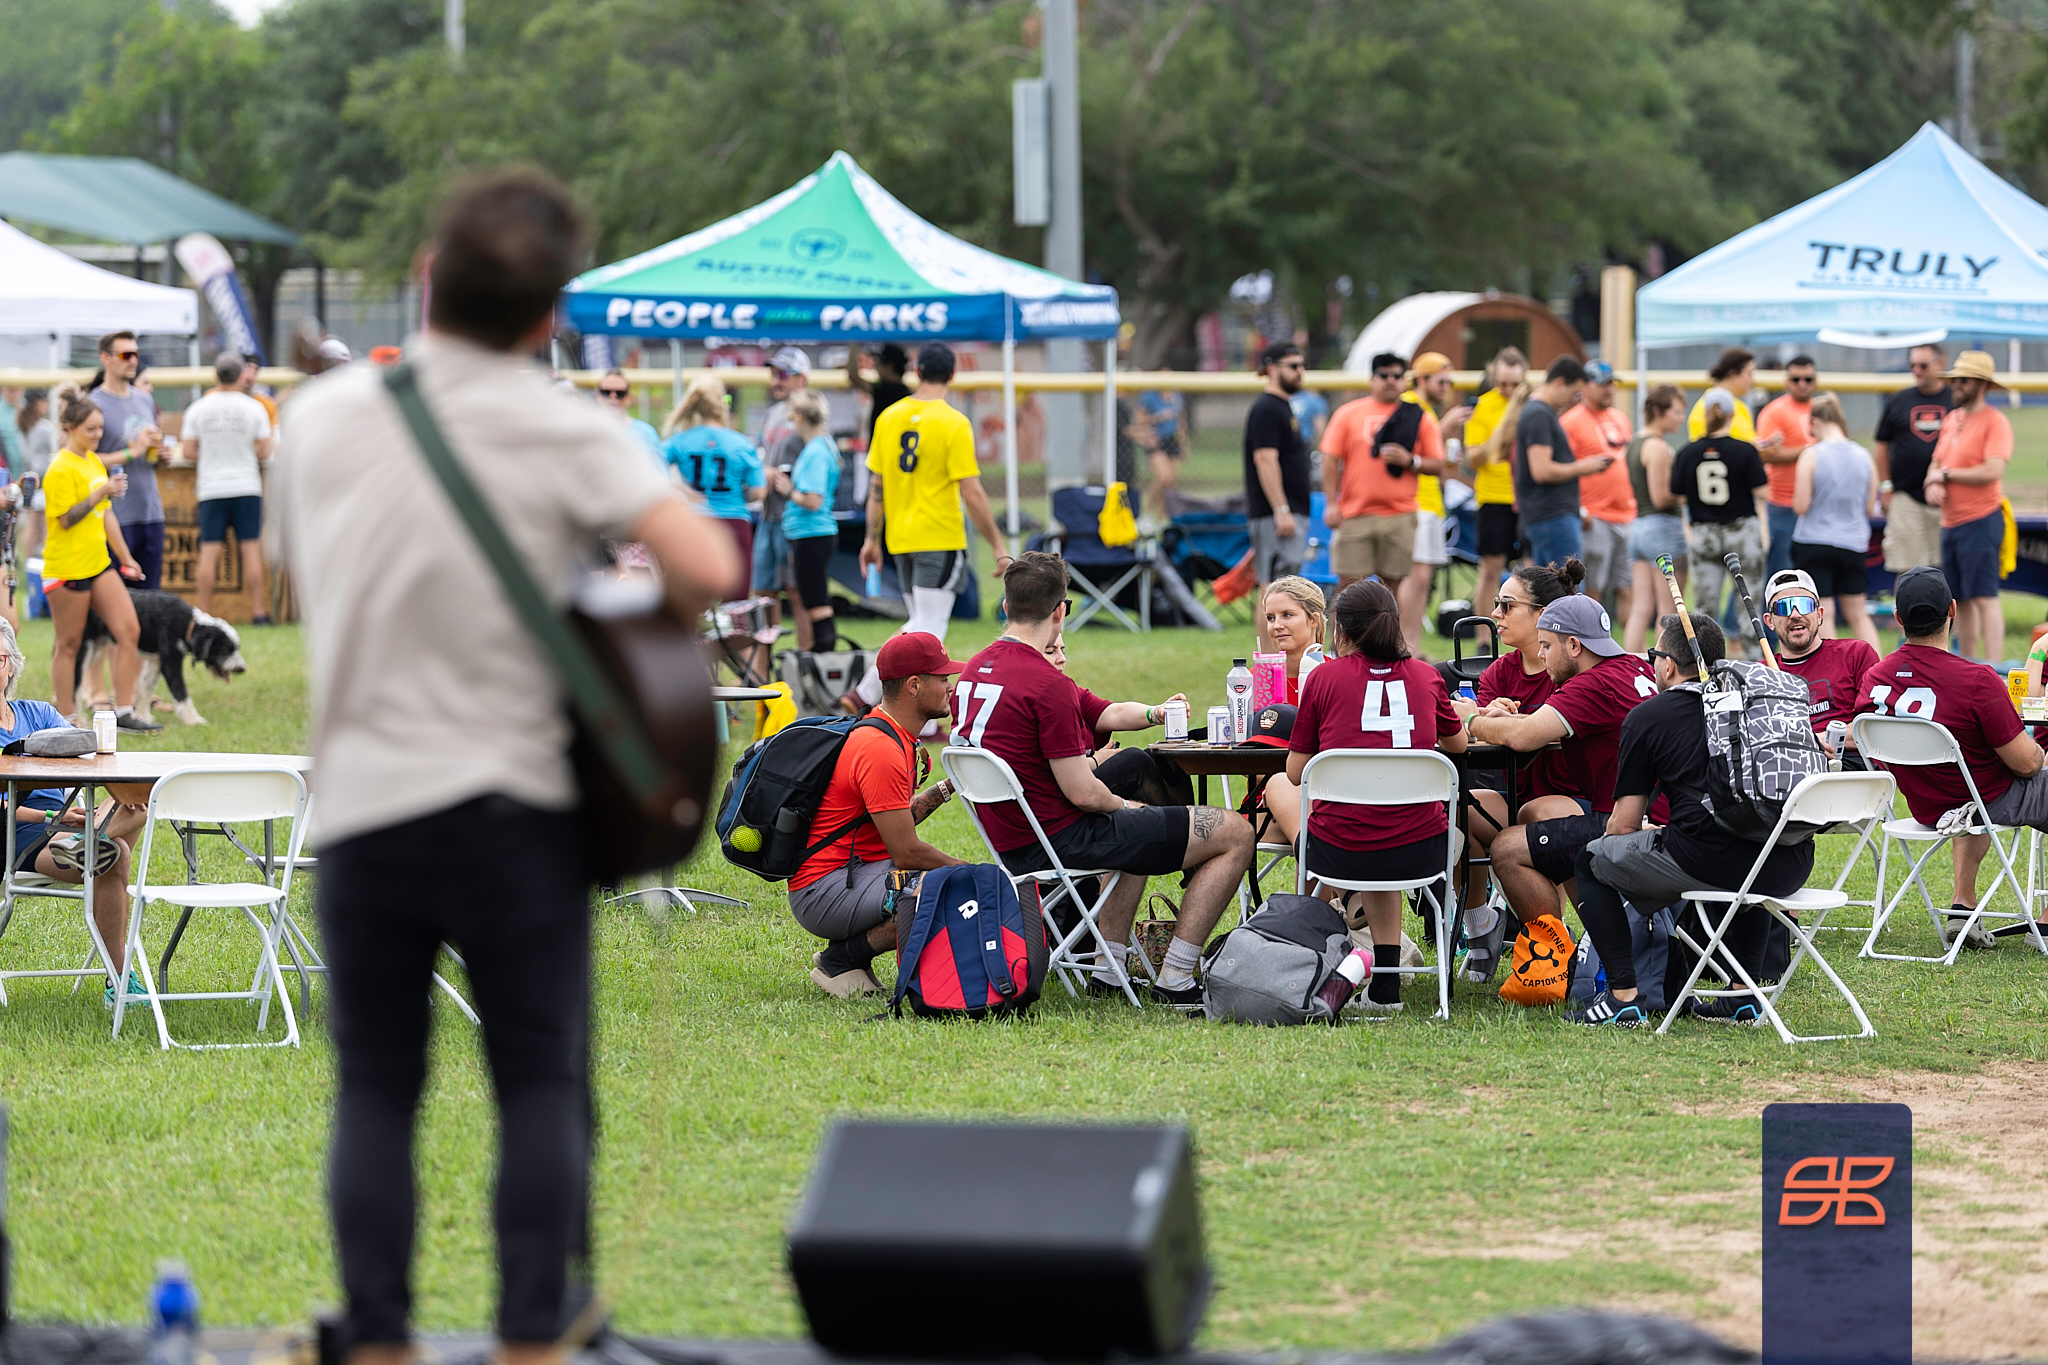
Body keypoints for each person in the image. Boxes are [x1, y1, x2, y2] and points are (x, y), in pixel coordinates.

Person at [276, 169, 736, 1365]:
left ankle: (379, 1339)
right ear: (547, 316)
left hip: (363, 805)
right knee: (535, 1082)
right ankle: (531, 1337)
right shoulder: (562, 423)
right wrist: (615, 613)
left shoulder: (321, 419)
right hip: (514, 806)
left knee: (376, 1090)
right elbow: (706, 568)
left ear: (426, 278)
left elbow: (302, 574)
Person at [953, 552, 1254, 1009]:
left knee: (1132, 777)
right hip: (1059, 839)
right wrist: (1132, 809)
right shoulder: (1045, 683)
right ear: (1060, 611)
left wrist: (1154, 714)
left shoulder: (973, 670)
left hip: (1010, 838)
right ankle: (1176, 978)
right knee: (1237, 832)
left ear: (1007, 606)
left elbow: (1100, 718)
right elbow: (1083, 793)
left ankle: (1107, 969)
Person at [1568, 611, 1815, 1026]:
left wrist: (1633, 836)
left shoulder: (1649, 716)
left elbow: (1624, 825)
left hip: (1709, 863)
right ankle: (1743, 995)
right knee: (1752, 840)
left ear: (1668, 665)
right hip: (1789, 862)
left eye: (1654, 656)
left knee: (1591, 861)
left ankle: (1623, 997)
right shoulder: (1759, 703)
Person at [1284, 578, 1465, 1012]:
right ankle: (1385, 983)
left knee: (1366, 830)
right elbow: (1457, 746)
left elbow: (1294, 772)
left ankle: (1299, 959)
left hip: (1336, 852)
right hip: (1422, 852)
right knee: (1389, 830)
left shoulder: (1323, 678)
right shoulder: (1427, 676)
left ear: (1341, 630)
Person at [1856, 567, 2048, 950]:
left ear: (1898, 618)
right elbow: (2027, 764)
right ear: (1953, 611)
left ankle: (1963, 906)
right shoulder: (1977, 680)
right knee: (1981, 783)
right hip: (1983, 800)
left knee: (1970, 780)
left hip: (1928, 806)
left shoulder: (1874, 679)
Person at [1468, 593, 1658, 935]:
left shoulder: (1592, 684)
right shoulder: (1634, 666)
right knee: (1521, 814)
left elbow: (1523, 737)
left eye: (1546, 646)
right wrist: (1504, 720)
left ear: (1573, 646)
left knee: (1509, 846)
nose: (1540, 655)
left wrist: (1470, 720)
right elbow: (1536, 725)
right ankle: (1488, 929)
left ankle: (1560, 949)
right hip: (1654, 814)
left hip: (1632, 825)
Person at [793, 632, 968, 998]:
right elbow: (906, 852)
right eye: (942, 678)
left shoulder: (890, 732)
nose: (950, 686)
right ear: (914, 686)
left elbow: (891, 819)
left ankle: (848, 956)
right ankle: (842, 959)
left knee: (935, 881)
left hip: (849, 875)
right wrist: (968, 869)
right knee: (941, 888)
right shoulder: (880, 749)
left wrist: (950, 785)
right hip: (822, 890)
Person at [854, 342, 1012, 707]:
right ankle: (864, 694)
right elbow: (971, 491)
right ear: (953, 375)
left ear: (917, 371)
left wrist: (871, 539)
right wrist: (998, 544)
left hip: (901, 537)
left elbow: (877, 487)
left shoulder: (889, 417)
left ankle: (893, 707)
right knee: (929, 629)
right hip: (938, 536)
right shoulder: (953, 421)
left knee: (920, 623)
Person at [0, 617, 150, 1002]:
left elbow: (88, 758)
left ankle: (90, 838)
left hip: (70, 820)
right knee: (115, 855)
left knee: (139, 801)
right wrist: (54, 818)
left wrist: (92, 808)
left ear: (12, 666)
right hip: (19, 832)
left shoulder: (38, 713)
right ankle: (120, 981)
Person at [42, 396, 152, 731]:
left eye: (100, 428)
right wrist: (98, 493)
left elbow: (106, 517)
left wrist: (126, 557)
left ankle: (124, 711)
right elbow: (65, 520)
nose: (97, 434)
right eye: (90, 429)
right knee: (70, 644)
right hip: (67, 567)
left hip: (99, 563)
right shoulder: (60, 468)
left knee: (129, 629)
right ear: (69, 428)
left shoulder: (92, 461)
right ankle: (66, 718)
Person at [1321, 352, 1445, 618]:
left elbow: (1437, 464)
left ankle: (1385, 643)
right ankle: (1344, 642)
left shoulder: (1418, 417)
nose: (1391, 380)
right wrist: (1331, 503)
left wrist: (1410, 461)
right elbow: (1330, 460)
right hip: (1355, 514)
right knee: (1348, 590)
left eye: (1397, 376)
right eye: (1384, 375)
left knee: (1391, 593)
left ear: (1405, 380)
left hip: (1400, 514)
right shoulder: (1348, 414)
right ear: (1372, 379)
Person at [1927, 350, 2011, 661]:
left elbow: (1993, 469)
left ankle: (1995, 667)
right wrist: (1933, 483)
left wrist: (1946, 475)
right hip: (1950, 523)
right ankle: (1968, 664)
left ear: (1981, 384)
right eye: (1955, 379)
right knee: (1959, 600)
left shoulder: (1995, 421)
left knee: (1984, 596)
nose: (1956, 385)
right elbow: (1935, 464)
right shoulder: (1952, 419)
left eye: (1963, 380)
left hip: (1981, 518)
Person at [182, 351, 278, 622]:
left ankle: (204, 613)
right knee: (251, 549)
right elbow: (265, 450)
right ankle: (258, 612)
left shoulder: (199, 408)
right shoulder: (254, 407)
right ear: (240, 375)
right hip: (247, 485)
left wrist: (210, 457)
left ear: (215, 375)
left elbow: (187, 451)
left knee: (209, 551)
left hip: (211, 487)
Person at [1672, 390, 1768, 648]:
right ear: (1731, 415)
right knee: (1749, 604)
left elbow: (1678, 497)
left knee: (1704, 609)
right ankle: (1754, 658)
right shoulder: (1745, 450)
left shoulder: (1688, 452)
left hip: (1705, 532)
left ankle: (1704, 661)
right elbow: (1762, 492)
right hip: (1741, 531)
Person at [662, 373, 764, 604]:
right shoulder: (741, 443)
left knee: (693, 599)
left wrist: (680, 488)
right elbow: (758, 492)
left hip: (696, 522)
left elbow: (648, 465)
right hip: (734, 521)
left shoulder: (682, 440)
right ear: (722, 404)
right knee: (736, 604)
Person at [1789, 392, 1880, 648]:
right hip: (1853, 543)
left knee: (1824, 612)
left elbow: (1800, 506)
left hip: (1814, 541)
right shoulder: (1864, 456)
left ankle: (1832, 668)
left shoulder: (1811, 455)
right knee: (1858, 613)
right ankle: (1876, 665)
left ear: (1816, 422)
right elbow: (1870, 507)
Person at [1765, 569, 1878, 768]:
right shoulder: (1759, 675)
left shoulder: (1855, 654)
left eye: (1804, 605)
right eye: (1783, 607)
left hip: (1850, 769)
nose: (1795, 614)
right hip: (1787, 771)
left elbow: (1876, 727)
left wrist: (1816, 740)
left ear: (1819, 614)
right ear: (1769, 621)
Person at [1247, 576, 1329, 839]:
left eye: (1287, 615)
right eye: (1270, 618)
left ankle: (1312, 852)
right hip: (1268, 798)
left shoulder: (1335, 673)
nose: (1277, 626)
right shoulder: (1258, 678)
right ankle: (1313, 852)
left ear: (1313, 620)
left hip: (1330, 791)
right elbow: (1247, 755)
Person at [85, 332, 167, 592]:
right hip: (116, 516)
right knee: (118, 599)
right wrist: (133, 451)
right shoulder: (94, 403)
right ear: (105, 358)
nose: (133, 360)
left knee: (150, 597)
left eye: (136, 354)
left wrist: (159, 456)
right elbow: (86, 460)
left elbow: (147, 454)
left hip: (151, 511)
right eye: (125, 355)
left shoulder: (144, 399)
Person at [1559, 360, 1636, 622]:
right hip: (1595, 515)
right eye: (1602, 384)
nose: (1609, 389)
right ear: (1585, 386)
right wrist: (1580, 510)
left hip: (1626, 514)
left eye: (1611, 384)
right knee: (1593, 589)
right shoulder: (1570, 422)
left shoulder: (1620, 418)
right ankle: (1591, 639)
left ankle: (1628, 644)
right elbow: (1564, 470)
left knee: (1627, 586)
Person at [1245, 342, 1313, 641]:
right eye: (1293, 366)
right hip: (1276, 513)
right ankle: (1269, 662)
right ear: (1272, 369)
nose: (1300, 371)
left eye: (1302, 365)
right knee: (1273, 589)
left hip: (1289, 509)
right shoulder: (1267, 408)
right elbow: (1265, 459)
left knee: (1284, 588)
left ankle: (1280, 661)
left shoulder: (1283, 406)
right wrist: (1281, 509)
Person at [1512, 356, 1601, 568]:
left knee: (1550, 585)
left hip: (1548, 516)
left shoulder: (1541, 412)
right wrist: (1583, 467)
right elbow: (1541, 470)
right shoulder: (1539, 414)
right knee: (1569, 583)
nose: (1575, 400)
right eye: (1574, 393)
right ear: (1559, 383)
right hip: (1552, 516)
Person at [1397, 353, 1460, 650]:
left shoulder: (1427, 411)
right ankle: (1402, 642)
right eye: (1441, 381)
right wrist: (1444, 426)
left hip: (1432, 502)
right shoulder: (1409, 405)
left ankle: (1414, 645)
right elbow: (1406, 452)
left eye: (1449, 382)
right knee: (1415, 576)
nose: (1446, 387)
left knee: (1425, 578)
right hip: (1415, 502)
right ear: (1421, 380)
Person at [751, 347, 812, 648]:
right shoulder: (773, 412)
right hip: (768, 515)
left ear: (802, 378)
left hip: (796, 516)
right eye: (774, 373)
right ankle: (763, 666)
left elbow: (818, 460)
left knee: (799, 593)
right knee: (763, 594)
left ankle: (805, 663)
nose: (777, 380)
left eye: (784, 374)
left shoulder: (810, 412)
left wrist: (788, 479)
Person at [1874, 343, 1953, 574]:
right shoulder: (1898, 400)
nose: (1917, 371)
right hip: (1905, 496)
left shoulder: (1955, 399)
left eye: (1923, 365)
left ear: (1941, 363)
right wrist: (1886, 486)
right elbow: (1881, 445)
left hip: (1947, 495)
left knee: (1947, 569)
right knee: (1906, 569)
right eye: (1912, 366)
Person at [1465, 347, 1529, 623]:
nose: (1509, 390)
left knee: (1531, 570)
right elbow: (1473, 458)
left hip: (1525, 496)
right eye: (1502, 384)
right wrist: (1501, 430)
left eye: (1515, 384)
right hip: (1493, 496)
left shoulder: (1532, 404)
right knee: (1490, 568)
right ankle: (1484, 634)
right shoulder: (1484, 405)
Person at [1622, 384, 1687, 652]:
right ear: (1659, 411)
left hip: (1639, 527)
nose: (1681, 418)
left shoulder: (1635, 442)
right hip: (1662, 528)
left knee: (1641, 606)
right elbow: (1661, 497)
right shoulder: (1657, 447)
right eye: (1677, 412)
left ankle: (1631, 663)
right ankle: (1663, 663)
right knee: (1667, 608)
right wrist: (1687, 493)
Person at [783, 390, 842, 655]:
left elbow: (813, 499)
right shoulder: (825, 444)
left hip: (812, 533)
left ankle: (824, 654)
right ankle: (822, 652)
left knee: (815, 600)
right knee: (814, 597)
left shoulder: (816, 451)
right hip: (812, 533)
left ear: (800, 416)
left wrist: (788, 490)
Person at [1754, 357, 1817, 579]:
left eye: (1808, 379)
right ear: (1787, 381)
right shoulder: (1774, 411)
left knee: (1811, 571)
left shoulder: (1820, 409)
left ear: (1816, 380)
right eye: (1796, 379)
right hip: (1783, 503)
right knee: (1779, 570)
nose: (1802, 384)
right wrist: (1811, 450)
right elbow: (1766, 454)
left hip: (1816, 503)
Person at [1687, 347, 1767, 445]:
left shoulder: (1741, 407)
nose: (1752, 380)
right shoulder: (1704, 409)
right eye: (1749, 374)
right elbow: (1705, 449)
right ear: (1733, 374)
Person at [595, 369, 664, 471]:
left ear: (629, 397)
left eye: (620, 393)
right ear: (598, 395)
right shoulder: (586, 432)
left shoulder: (646, 434)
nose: (613, 397)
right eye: (606, 392)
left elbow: (660, 474)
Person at [847, 343, 912, 448]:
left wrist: (853, 344)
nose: (876, 365)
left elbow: (853, 376)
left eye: (880, 362)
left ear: (890, 366)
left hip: (881, 453)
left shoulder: (883, 389)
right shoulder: (906, 393)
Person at [15, 387, 52, 562]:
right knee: (43, 525)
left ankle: (29, 562)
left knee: (31, 522)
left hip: (29, 477)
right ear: (37, 403)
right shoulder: (44, 427)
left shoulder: (22, 423)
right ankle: (42, 562)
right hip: (43, 478)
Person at [1139, 375, 1187, 493]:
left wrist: (1184, 443)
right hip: (1156, 440)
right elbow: (1140, 420)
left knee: (1171, 483)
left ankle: (1163, 505)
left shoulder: (1176, 396)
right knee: (1164, 479)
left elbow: (1181, 421)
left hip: (1172, 439)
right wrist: (1159, 417)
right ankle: (1149, 503)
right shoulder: (1149, 396)